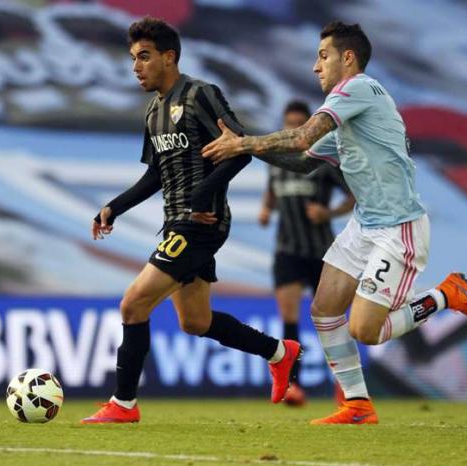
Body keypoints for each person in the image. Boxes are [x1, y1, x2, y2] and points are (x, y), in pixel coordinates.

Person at [202, 21, 467, 424]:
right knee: (324, 309)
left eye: (323, 56)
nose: (315, 67)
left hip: (398, 227)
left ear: (348, 58)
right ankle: (357, 404)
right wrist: (248, 148)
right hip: (364, 226)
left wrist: (245, 143)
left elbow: (302, 137)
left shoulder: (357, 90)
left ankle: (448, 294)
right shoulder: (351, 117)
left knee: (365, 330)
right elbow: (303, 162)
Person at [80, 17, 301, 424]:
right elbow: (155, 175)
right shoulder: (152, 112)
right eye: (132, 59)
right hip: (175, 222)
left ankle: (123, 404)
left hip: (200, 222)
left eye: (144, 57)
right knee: (195, 322)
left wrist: (203, 193)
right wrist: (114, 207)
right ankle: (278, 352)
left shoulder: (201, 94)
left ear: (170, 57)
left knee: (133, 305)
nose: (136, 67)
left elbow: (240, 149)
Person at [258, 100, 355, 406]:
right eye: (290, 124)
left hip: (321, 251)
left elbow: (354, 195)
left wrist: (328, 213)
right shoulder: (277, 161)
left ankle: (346, 385)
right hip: (287, 249)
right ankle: (293, 386)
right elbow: (272, 191)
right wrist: (266, 208)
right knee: (289, 318)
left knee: (330, 318)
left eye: (300, 124)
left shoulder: (322, 162)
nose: (293, 129)